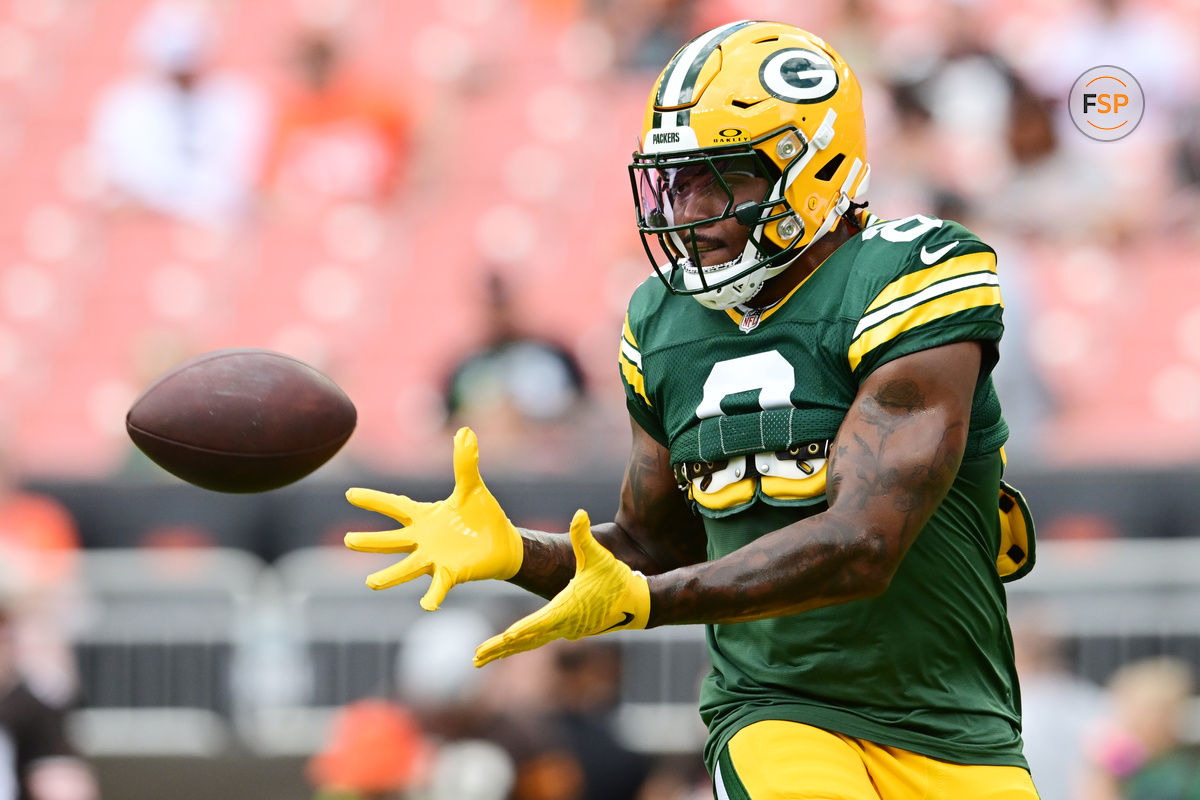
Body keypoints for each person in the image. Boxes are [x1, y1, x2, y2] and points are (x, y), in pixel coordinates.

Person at [345, 20, 1038, 799]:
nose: (689, 205)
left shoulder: (912, 277)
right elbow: (651, 547)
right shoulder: (662, 323)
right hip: (780, 709)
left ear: (816, 166)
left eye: (722, 177)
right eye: (676, 179)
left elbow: (861, 543)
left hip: (958, 723)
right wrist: (519, 553)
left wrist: (645, 604)